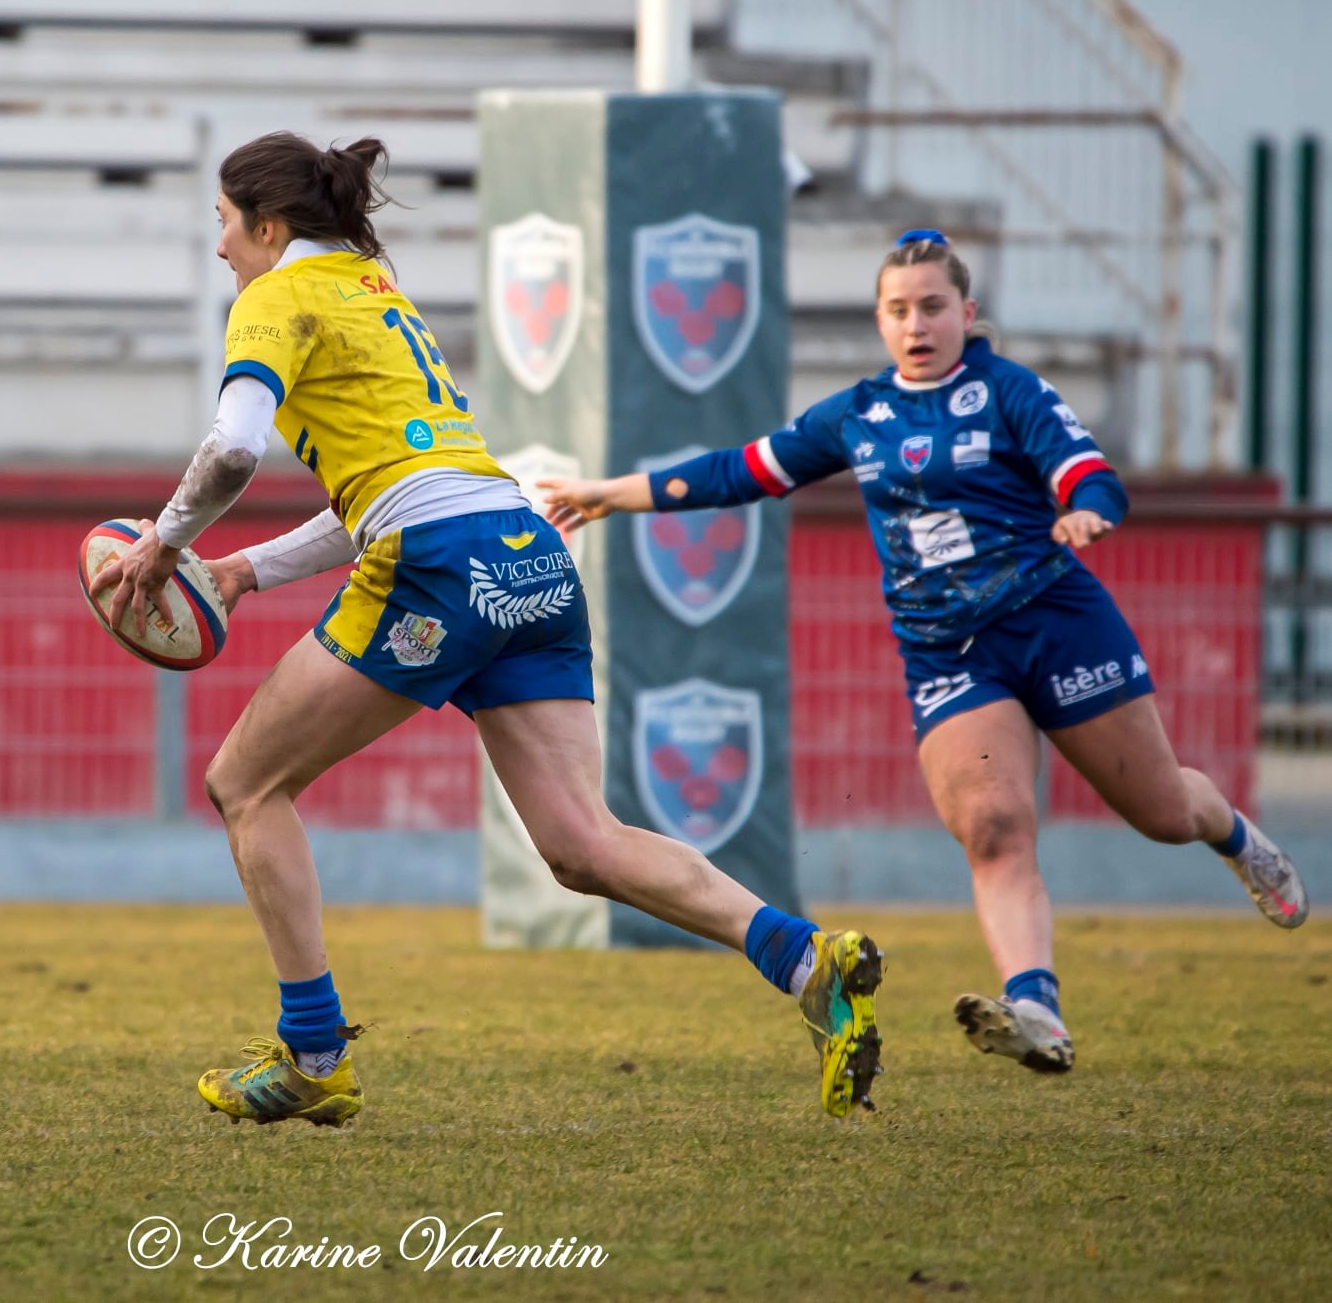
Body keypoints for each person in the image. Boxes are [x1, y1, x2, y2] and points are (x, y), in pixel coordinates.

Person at [88, 131, 885, 1124]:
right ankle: (806, 960)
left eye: (222, 224)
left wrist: (165, 543)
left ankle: (313, 1051)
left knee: (244, 784)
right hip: (526, 549)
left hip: (437, 567)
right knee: (581, 843)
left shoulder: (273, 298)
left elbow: (236, 448)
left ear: (268, 225)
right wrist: (248, 568)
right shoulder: (377, 293)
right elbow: (395, 484)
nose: (219, 249)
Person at [539, 229, 1309, 1075]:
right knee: (992, 825)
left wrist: (1085, 509)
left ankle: (1235, 836)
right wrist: (609, 494)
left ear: (966, 314)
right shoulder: (859, 414)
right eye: (899, 309)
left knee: (1162, 812)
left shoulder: (1007, 390)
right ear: (878, 319)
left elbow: (1088, 470)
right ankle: (1035, 1008)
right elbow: (742, 470)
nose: (916, 324)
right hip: (947, 652)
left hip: (1056, 621)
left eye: (933, 306)